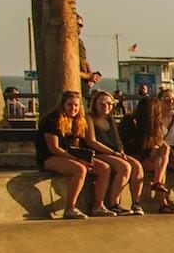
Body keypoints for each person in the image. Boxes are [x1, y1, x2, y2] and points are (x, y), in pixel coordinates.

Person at [36, 89, 111, 219]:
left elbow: (75, 146)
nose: (73, 108)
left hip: (70, 156)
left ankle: (98, 205)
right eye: (69, 105)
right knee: (80, 169)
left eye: (76, 105)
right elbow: (54, 148)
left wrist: (84, 157)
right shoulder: (52, 120)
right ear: (63, 105)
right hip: (50, 157)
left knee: (104, 168)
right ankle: (70, 207)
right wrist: (76, 159)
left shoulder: (78, 121)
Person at [86, 90, 143, 214]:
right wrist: (113, 153)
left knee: (137, 166)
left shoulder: (110, 120)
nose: (105, 106)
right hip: (98, 153)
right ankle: (114, 203)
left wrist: (121, 151)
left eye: (109, 103)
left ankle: (136, 203)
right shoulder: (89, 118)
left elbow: (117, 140)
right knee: (124, 167)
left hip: (113, 152)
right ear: (95, 103)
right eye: (102, 103)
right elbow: (91, 141)